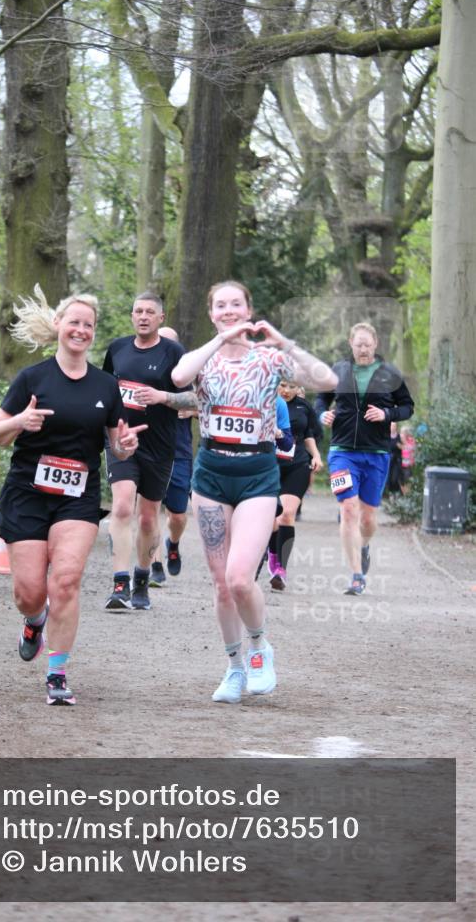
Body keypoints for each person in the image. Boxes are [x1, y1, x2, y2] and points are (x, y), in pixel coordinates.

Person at [171, 281, 337, 704]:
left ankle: (260, 647)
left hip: (258, 475)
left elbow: (327, 378)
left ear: (249, 310)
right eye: (221, 305)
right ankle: (233, 667)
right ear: (212, 313)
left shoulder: (268, 359)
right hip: (211, 474)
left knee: (240, 578)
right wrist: (217, 341)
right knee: (220, 584)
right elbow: (178, 375)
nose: (229, 310)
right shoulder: (204, 359)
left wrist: (285, 342)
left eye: (236, 304)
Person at [0, 286, 145, 705]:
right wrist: (21, 420)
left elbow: (117, 442)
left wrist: (125, 447)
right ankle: (33, 620)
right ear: (59, 325)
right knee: (29, 592)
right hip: (27, 493)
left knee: (67, 579)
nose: (80, 330)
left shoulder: (106, 386)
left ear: (94, 333)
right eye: (74, 322)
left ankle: (57, 675)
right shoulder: (32, 378)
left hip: (77, 497)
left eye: (88, 325)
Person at [102, 293, 194, 612]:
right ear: (132, 316)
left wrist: (162, 396)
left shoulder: (174, 353)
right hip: (122, 442)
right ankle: (119, 582)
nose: (143, 316)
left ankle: (142, 578)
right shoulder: (117, 349)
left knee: (146, 517)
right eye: (138, 311)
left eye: (149, 312)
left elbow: (194, 399)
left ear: (161, 318)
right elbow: (105, 391)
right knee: (123, 507)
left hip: (160, 446)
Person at [315, 322, 414, 595]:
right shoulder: (338, 370)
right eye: (358, 344)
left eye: (367, 345)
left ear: (375, 345)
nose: (362, 349)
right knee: (348, 509)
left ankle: (364, 544)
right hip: (342, 452)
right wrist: (322, 414)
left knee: (368, 519)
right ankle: (356, 575)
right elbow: (320, 401)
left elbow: (407, 406)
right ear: (350, 343)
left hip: (377, 453)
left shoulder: (390, 373)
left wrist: (387, 415)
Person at [149, 326, 196, 587]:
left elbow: (210, 406)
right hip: (150, 451)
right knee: (150, 511)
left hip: (179, 452)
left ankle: (173, 543)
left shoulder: (187, 376)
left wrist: (191, 411)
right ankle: (155, 563)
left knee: (176, 515)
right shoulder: (143, 372)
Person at [266, 379, 323, 590]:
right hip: (269, 464)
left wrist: (315, 456)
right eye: (283, 385)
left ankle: (280, 569)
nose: (287, 390)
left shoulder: (303, 406)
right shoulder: (264, 401)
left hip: (297, 463)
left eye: (291, 386)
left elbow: (309, 435)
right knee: (271, 519)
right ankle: (272, 555)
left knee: (287, 515)